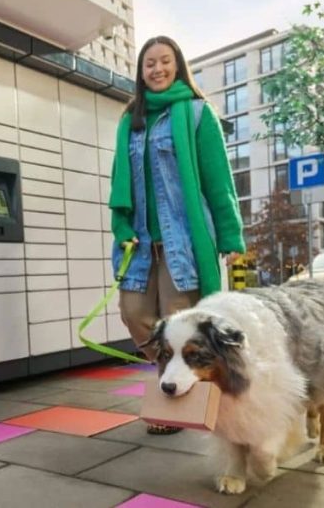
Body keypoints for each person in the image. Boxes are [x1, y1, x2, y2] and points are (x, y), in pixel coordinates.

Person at [109, 35, 246, 434]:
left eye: (164, 61)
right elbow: (119, 182)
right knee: (134, 314)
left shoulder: (198, 115)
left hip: (182, 243)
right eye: (149, 63)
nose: (157, 69)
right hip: (139, 242)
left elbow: (218, 181)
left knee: (178, 320)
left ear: (178, 65)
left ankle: (178, 405)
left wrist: (230, 237)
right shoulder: (129, 120)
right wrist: (121, 227)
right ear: (140, 72)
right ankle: (177, 375)